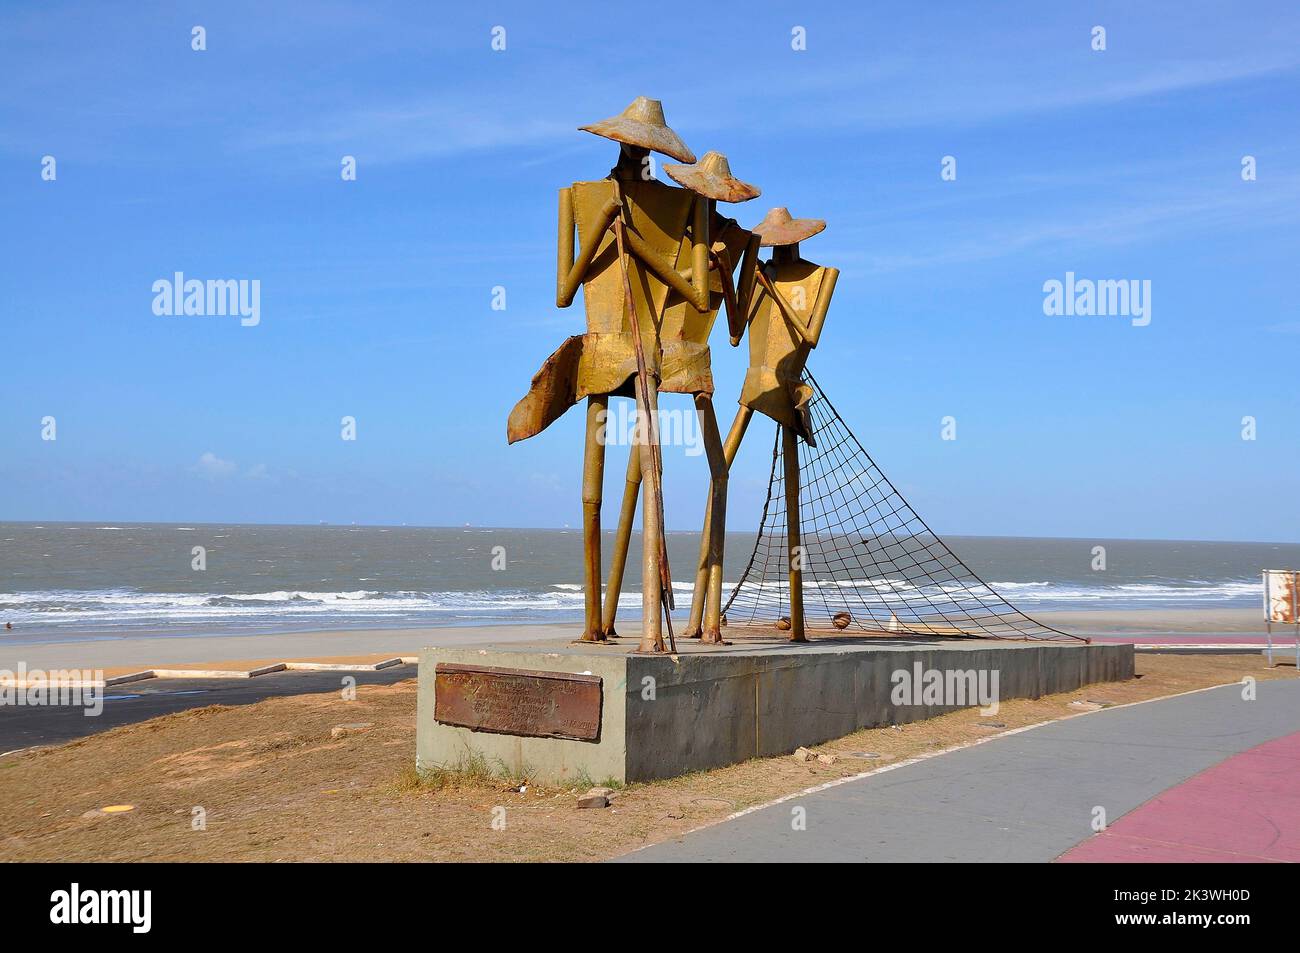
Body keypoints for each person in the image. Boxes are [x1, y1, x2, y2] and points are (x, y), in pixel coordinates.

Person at [507, 97, 710, 652]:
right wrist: (600, 224)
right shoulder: (581, 197)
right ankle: (594, 620)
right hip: (601, 347)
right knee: (591, 490)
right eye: (631, 144)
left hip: (650, 349)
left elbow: (694, 292)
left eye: (642, 146)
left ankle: (650, 625)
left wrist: (638, 244)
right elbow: (564, 292)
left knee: (646, 476)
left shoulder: (684, 207)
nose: (634, 152)